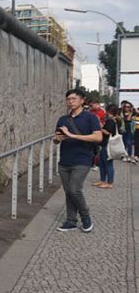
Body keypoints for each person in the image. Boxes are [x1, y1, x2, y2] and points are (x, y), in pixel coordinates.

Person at [53, 89, 102, 232]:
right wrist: (58, 138)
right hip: (65, 160)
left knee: (75, 190)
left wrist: (73, 136)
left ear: (82, 100)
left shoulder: (90, 118)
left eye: (74, 99)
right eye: (68, 99)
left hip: (83, 159)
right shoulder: (63, 119)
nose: (70, 102)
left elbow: (98, 137)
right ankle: (71, 221)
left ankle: (85, 217)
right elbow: (57, 138)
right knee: (68, 191)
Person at [94, 104, 118, 189]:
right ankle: (103, 180)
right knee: (102, 163)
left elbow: (108, 132)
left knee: (108, 164)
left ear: (108, 111)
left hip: (108, 145)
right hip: (105, 144)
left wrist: (100, 127)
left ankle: (109, 182)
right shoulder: (112, 120)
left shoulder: (111, 121)